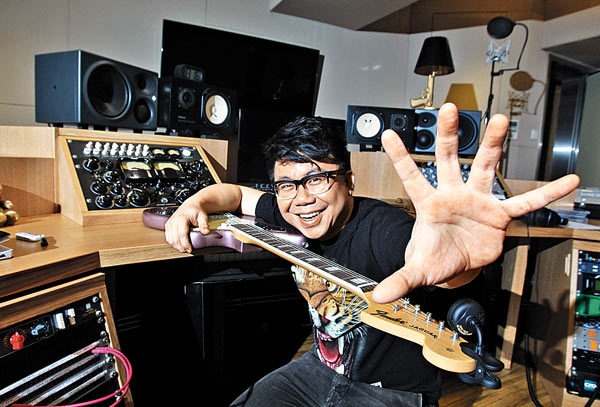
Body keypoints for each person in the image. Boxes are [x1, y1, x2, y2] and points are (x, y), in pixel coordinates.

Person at [164, 103, 579, 406]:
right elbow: (236, 194)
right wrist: (192, 204)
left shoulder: (383, 227)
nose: (302, 199)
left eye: (317, 179)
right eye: (287, 185)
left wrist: (458, 265)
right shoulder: (294, 207)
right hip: (319, 368)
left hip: (393, 392)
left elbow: (430, 264)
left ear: (349, 180)